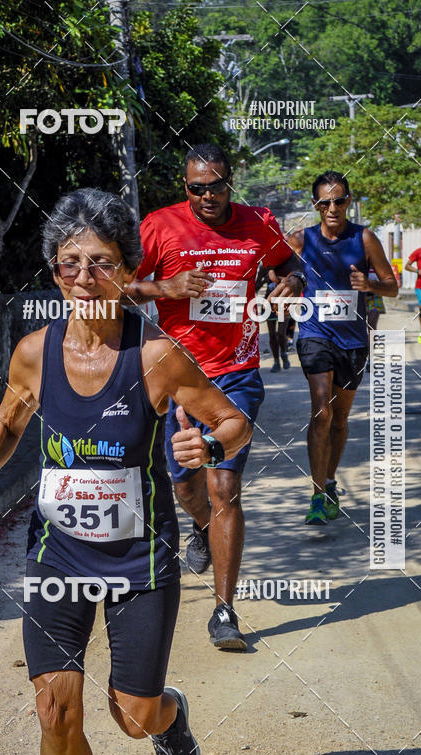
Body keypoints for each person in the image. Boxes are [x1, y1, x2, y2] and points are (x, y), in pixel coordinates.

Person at [0, 189, 251, 755]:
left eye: (103, 263)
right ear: (54, 270)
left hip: (138, 560)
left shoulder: (157, 357)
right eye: (70, 263)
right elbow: (9, 418)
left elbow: (233, 420)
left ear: (129, 271)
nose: (85, 277)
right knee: (55, 710)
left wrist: (208, 444)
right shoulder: (35, 352)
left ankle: (168, 716)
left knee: (132, 715)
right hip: (56, 556)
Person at [125, 143, 304, 650]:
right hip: (178, 377)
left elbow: (291, 263)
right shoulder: (160, 225)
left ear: (230, 182)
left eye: (217, 186)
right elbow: (120, 287)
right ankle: (202, 526)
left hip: (237, 374)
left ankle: (224, 612)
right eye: (197, 188)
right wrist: (167, 287)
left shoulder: (258, 222)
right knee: (186, 488)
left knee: (224, 486)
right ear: (186, 187)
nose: (207, 196)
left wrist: (292, 280)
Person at [288, 171, 398, 525]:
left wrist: (369, 284)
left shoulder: (364, 238)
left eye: (338, 201)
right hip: (314, 333)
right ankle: (317, 494)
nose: (332, 208)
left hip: (353, 341)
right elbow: (276, 269)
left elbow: (392, 286)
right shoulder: (300, 239)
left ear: (348, 201)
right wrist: (289, 281)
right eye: (325, 202)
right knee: (321, 411)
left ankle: (330, 480)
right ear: (316, 205)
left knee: (339, 419)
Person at [365, 267, 386, 371]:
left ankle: (371, 359)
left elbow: (387, 280)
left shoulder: (377, 261)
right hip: (358, 296)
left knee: (371, 328)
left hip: (375, 297)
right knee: (357, 328)